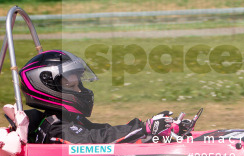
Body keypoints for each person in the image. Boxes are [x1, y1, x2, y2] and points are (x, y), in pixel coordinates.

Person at [19, 50, 190, 144]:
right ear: (46, 88)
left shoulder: (68, 119)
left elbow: (101, 132)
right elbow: (94, 141)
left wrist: (147, 131)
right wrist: (145, 128)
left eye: (79, 84)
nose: (79, 90)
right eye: (72, 86)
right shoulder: (55, 128)